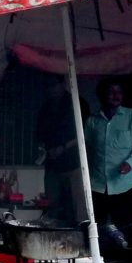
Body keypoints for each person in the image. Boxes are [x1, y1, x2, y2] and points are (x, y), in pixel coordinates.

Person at [84, 78, 132, 224]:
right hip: (97, 185)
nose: (116, 95)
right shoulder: (92, 121)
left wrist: (130, 162)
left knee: (125, 226)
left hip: (126, 185)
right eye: (111, 91)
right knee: (100, 228)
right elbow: (86, 148)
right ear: (102, 95)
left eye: (119, 92)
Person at [36, 78, 89, 225]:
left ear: (62, 85)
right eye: (48, 87)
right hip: (52, 165)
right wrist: (43, 151)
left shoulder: (77, 104)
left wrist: (64, 147)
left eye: (54, 85)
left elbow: (85, 134)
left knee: (78, 205)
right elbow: (40, 135)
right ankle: (54, 236)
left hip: (74, 163)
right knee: (52, 205)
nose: (51, 90)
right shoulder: (46, 108)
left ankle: (81, 236)